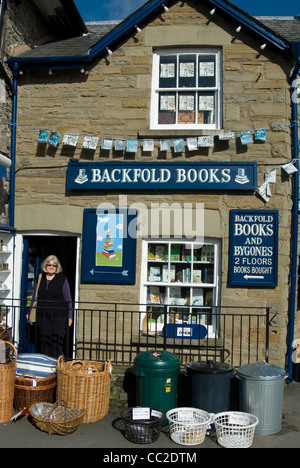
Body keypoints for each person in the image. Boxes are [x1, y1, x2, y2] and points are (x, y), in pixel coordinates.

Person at [27, 255, 73, 358]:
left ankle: (55, 364)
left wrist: (70, 316)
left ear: (57, 267)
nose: (51, 267)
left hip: (59, 316)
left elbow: (68, 299)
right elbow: (35, 296)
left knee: (56, 341)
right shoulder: (40, 277)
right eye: (49, 264)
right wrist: (30, 312)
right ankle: (45, 365)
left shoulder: (62, 279)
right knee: (44, 340)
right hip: (42, 315)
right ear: (45, 265)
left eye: (54, 265)